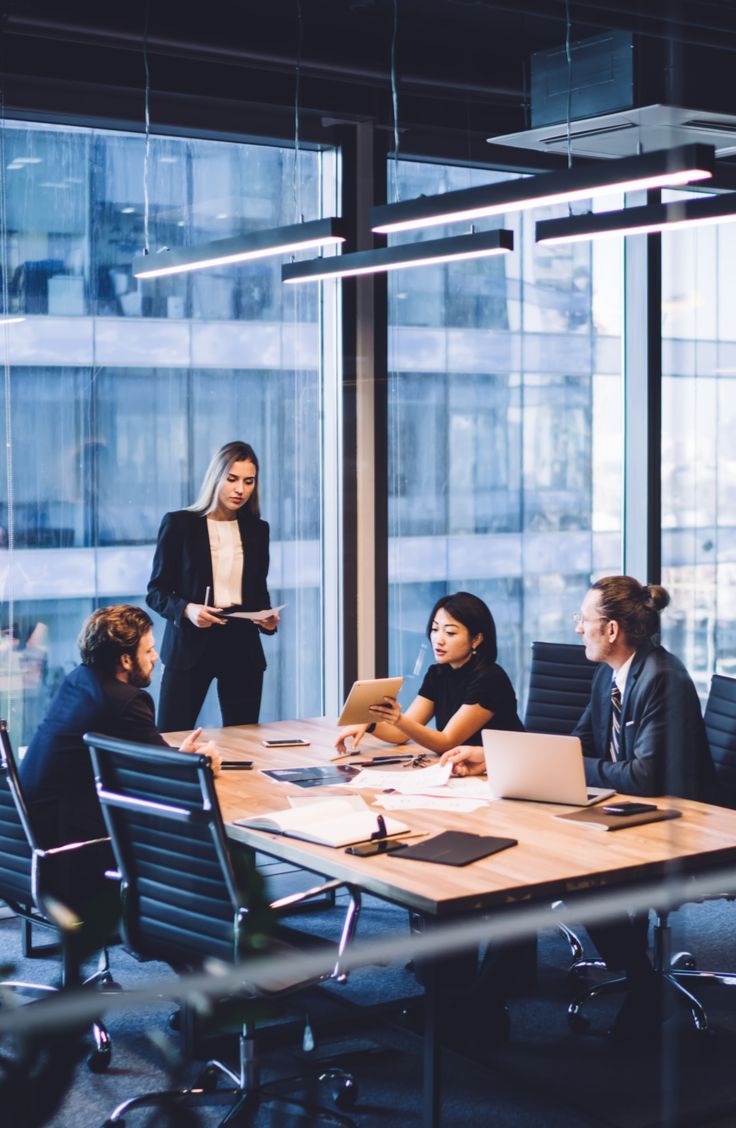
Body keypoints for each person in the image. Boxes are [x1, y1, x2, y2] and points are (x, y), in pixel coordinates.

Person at [445, 575, 715, 1041]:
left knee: (566, 876)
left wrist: (572, 768)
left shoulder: (662, 679)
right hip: (627, 811)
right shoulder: (607, 675)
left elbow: (644, 776)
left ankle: (485, 1005)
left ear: (611, 630)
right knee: (537, 869)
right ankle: (489, 1004)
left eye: (583, 620)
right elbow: (577, 745)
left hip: (680, 822)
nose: (577, 629)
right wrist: (492, 757)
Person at [20, 604, 221, 851]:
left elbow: (148, 760)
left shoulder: (77, 682)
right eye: (149, 650)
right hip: (74, 846)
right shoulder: (126, 700)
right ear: (126, 660)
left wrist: (180, 757)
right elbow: (168, 780)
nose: (155, 657)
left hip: (30, 838)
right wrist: (201, 765)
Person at [146, 441, 278, 732]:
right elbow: (156, 592)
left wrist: (266, 619)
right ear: (215, 478)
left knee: (244, 740)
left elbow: (258, 590)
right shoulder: (179, 524)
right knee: (171, 734)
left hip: (241, 645)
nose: (240, 489)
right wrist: (187, 610)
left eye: (248, 481)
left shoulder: (258, 530)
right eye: (232, 479)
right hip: (191, 643)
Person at [334, 591, 523, 756]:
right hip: (462, 768)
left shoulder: (490, 679)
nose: (438, 640)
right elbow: (401, 733)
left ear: (476, 639)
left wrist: (398, 719)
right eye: (434, 629)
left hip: (505, 770)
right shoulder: (438, 673)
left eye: (450, 633)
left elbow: (448, 742)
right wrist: (370, 724)